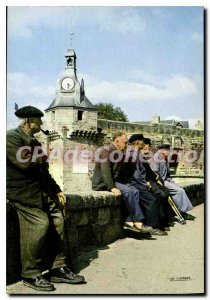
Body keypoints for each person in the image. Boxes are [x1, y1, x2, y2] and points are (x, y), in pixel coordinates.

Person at [7, 105, 85, 292]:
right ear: (28, 122)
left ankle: (57, 267)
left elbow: (44, 172)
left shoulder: (33, 142)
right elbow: (24, 163)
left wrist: (57, 189)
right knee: (40, 224)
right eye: (38, 121)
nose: (41, 124)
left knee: (58, 220)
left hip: (39, 191)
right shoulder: (11, 138)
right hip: (20, 192)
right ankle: (30, 273)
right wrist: (44, 155)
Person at [92, 132, 152, 234]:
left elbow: (120, 171)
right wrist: (112, 187)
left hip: (114, 182)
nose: (126, 145)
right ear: (117, 141)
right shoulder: (106, 151)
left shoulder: (118, 152)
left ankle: (129, 221)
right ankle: (137, 221)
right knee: (129, 192)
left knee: (135, 191)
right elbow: (106, 171)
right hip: (103, 183)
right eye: (124, 142)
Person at [122, 134, 168, 236]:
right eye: (142, 141)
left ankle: (156, 223)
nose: (144, 143)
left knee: (156, 196)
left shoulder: (137, 153)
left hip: (138, 183)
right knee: (152, 200)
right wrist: (144, 184)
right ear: (137, 142)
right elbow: (135, 174)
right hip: (135, 184)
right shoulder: (132, 154)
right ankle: (153, 227)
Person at [151, 144, 195, 221]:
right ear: (161, 151)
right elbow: (155, 173)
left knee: (179, 188)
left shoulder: (164, 158)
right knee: (179, 191)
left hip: (166, 180)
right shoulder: (156, 158)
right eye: (167, 150)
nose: (169, 152)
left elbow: (167, 174)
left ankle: (182, 211)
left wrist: (173, 182)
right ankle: (183, 212)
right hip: (160, 182)